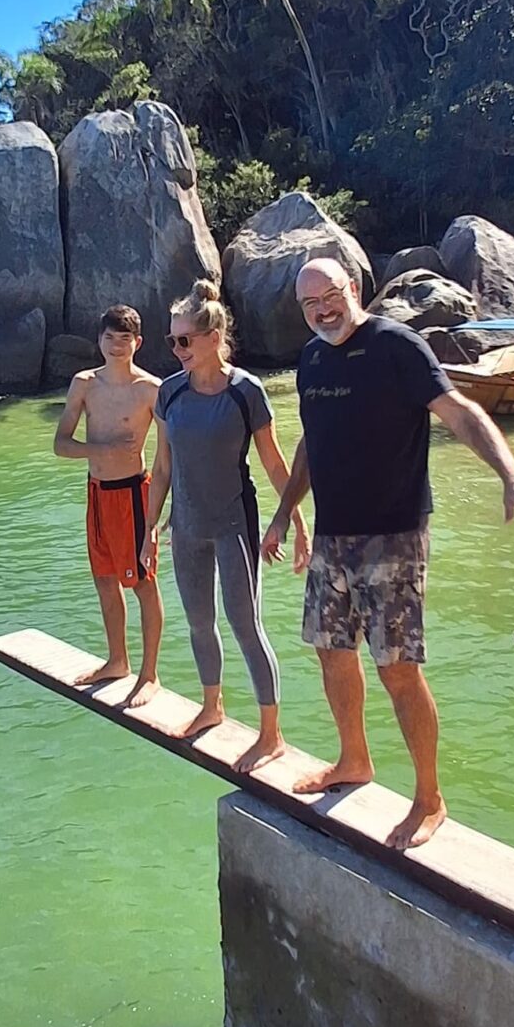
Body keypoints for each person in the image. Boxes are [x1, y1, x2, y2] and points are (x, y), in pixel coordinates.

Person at [262, 257, 514, 850]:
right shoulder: (313, 359)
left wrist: (513, 475)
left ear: (353, 288)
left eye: (329, 296)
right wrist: (282, 514)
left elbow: (463, 413)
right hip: (332, 534)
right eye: (308, 304)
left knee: (398, 669)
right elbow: (310, 446)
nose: (321, 310)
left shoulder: (399, 346)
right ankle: (354, 761)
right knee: (330, 652)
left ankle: (429, 797)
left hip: (393, 533)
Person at [142, 280, 309, 772]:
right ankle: (212, 706)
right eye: (172, 341)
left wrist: (295, 521)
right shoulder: (169, 394)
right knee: (199, 622)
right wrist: (148, 529)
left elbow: (277, 464)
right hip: (187, 526)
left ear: (213, 336)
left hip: (235, 523)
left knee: (245, 625)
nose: (176, 350)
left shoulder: (246, 392)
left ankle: (271, 734)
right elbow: (164, 467)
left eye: (184, 340)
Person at [53, 304, 164, 703]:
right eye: (109, 338)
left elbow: (169, 455)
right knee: (104, 579)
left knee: (143, 584)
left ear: (138, 343)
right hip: (96, 492)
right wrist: (102, 447)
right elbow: (61, 445)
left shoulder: (150, 389)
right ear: (99, 341)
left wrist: (157, 519)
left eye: (124, 339)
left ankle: (150, 674)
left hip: (133, 494)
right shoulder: (84, 384)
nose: (116, 346)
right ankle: (118, 660)